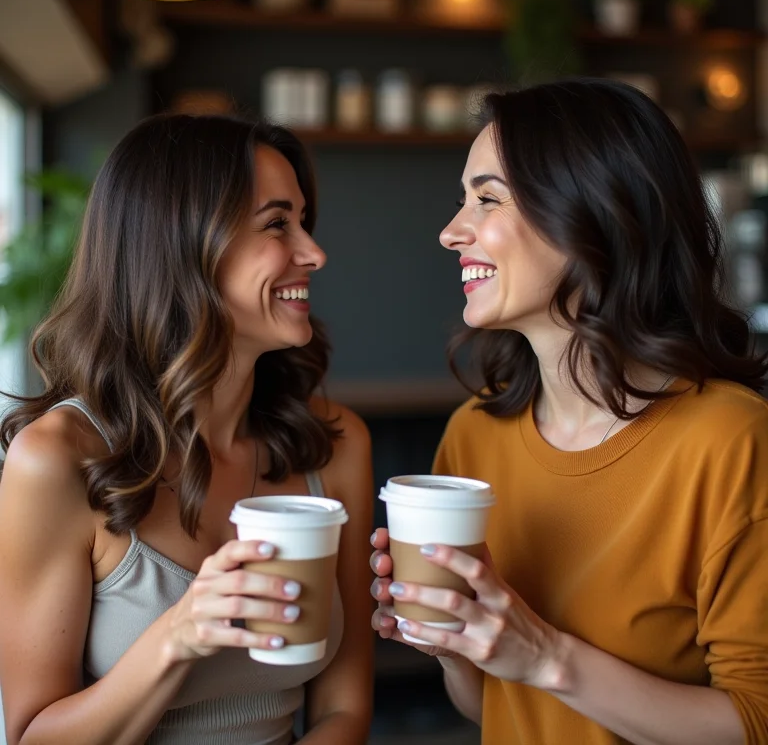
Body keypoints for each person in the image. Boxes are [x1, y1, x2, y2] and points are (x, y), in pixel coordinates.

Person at [371, 78, 768, 745]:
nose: (451, 231)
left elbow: (754, 722)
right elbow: (490, 707)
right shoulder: (474, 436)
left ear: (590, 216)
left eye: (487, 199)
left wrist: (546, 655)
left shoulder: (731, 442)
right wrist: (451, 637)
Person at [0, 114, 373, 745]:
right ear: (180, 244)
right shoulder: (57, 461)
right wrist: (182, 635)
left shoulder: (335, 445)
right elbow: (33, 735)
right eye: (278, 224)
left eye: (304, 221)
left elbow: (345, 708)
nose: (313, 252)